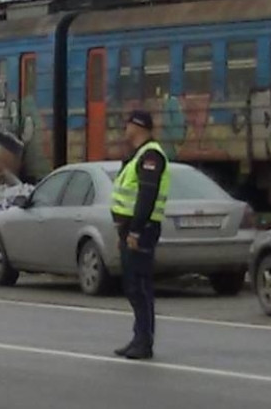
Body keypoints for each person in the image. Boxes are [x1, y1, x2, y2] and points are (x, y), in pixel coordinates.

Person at [111, 110, 170, 361]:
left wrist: (135, 230)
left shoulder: (151, 156)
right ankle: (138, 337)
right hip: (131, 230)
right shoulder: (138, 156)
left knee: (140, 286)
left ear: (138, 126)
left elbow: (147, 196)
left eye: (128, 124)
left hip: (142, 230)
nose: (125, 128)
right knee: (132, 285)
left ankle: (144, 342)